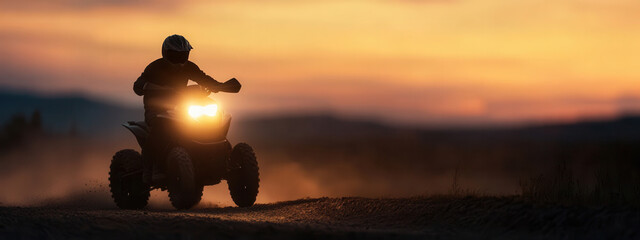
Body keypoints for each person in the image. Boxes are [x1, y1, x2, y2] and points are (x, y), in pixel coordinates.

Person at [133, 34, 222, 184]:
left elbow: (203, 78)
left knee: (214, 120)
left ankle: (223, 159)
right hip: (156, 111)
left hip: (182, 108)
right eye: (175, 55)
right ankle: (150, 168)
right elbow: (138, 86)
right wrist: (157, 88)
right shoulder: (155, 67)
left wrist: (220, 85)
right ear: (166, 54)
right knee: (160, 128)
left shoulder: (189, 67)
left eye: (183, 55)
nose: (179, 61)